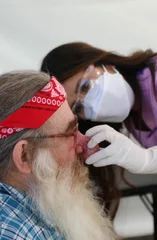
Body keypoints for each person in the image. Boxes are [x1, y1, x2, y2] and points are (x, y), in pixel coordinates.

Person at [0, 71, 118, 240]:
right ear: (25, 156)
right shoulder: (17, 234)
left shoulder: (40, 201)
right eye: (70, 133)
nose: (83, 143)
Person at [40, 42, 157, 175]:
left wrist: (149, 160)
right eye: (77, 108)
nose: (89, 104)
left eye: (85, 87)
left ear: (105, 64)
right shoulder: (133, 120)